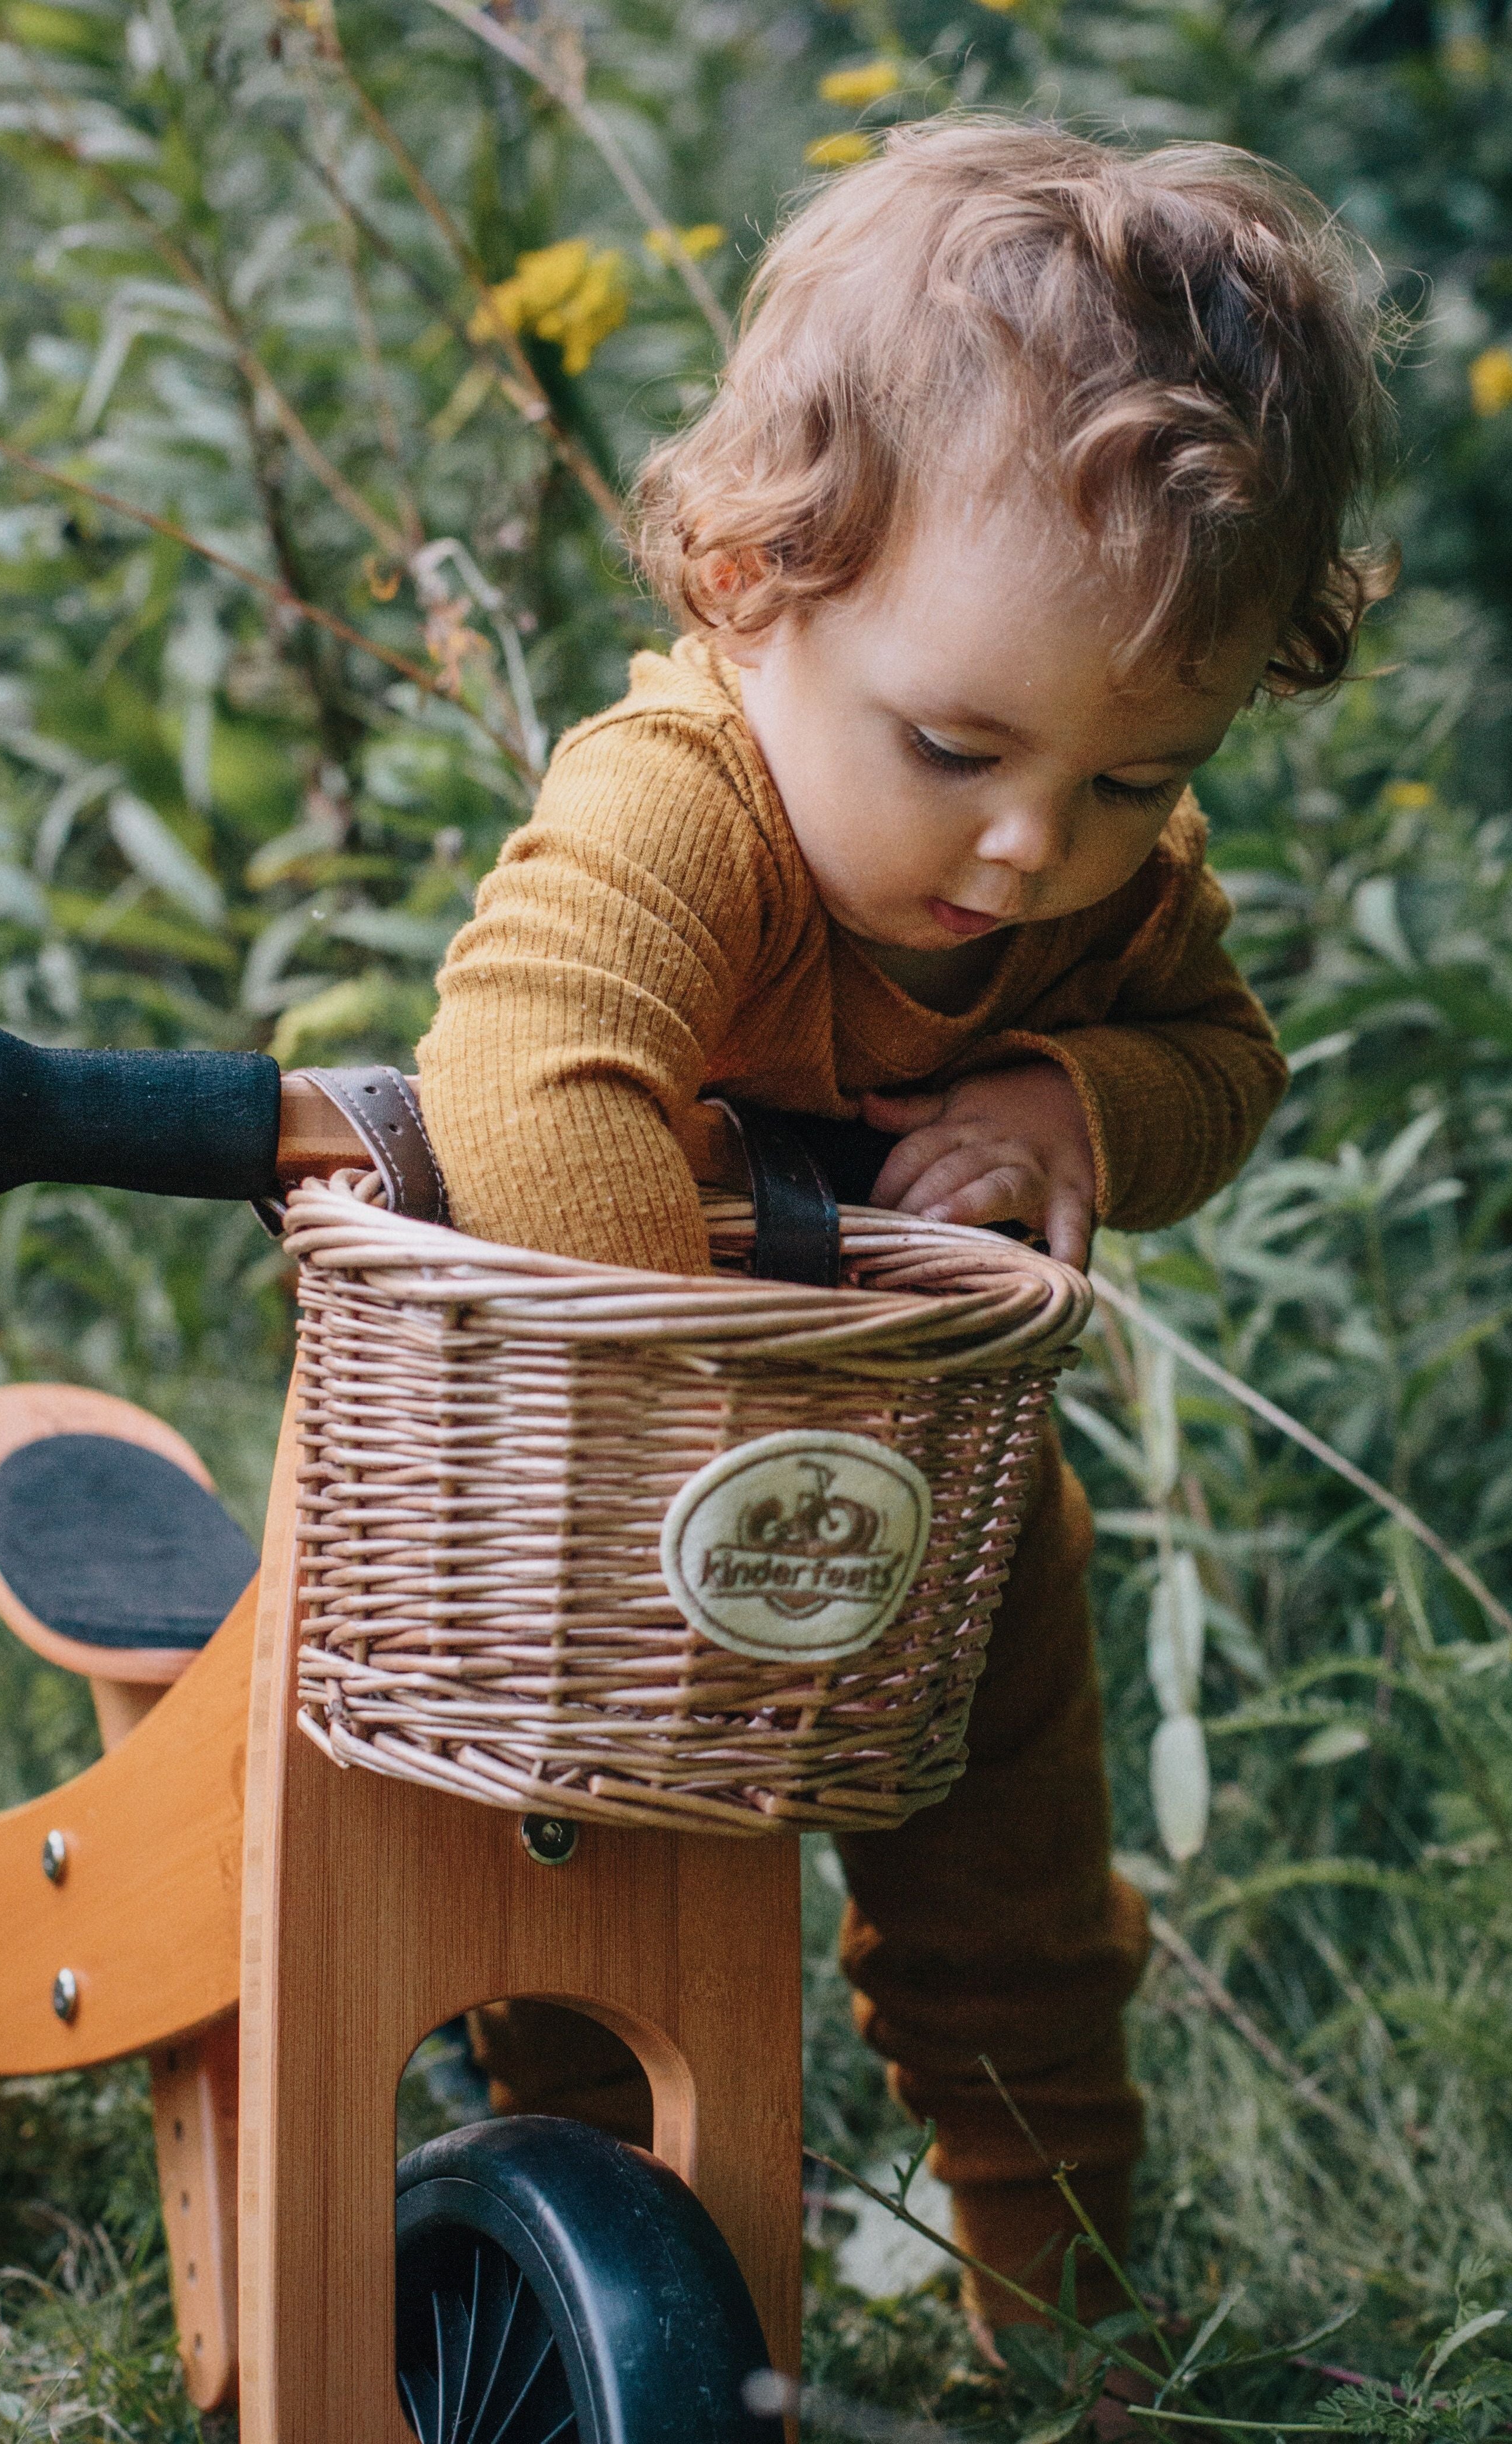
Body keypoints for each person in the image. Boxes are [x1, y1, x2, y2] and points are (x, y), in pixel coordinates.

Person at [418, 114, 1389, 2348]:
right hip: (600, 1504)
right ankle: (575, 2256)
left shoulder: (1105, 890)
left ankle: (1058, 2289)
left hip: (948, 1511)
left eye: (1140, 774)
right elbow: (531, 1071)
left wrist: (1077, 1096)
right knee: (593, 1884)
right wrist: (700, 1397)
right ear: (759, 581)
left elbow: (1220, 1064)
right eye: (955, 744)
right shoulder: (687, 801)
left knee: (1016, 1887)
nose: (1041, 838)